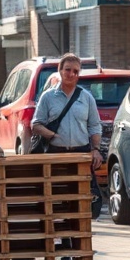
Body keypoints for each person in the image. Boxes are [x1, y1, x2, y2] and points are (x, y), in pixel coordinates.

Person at [30, 53, 104, 217]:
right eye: (68, 70)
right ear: (60, 70)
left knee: (81, 198)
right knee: (55, 197)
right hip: (56, 154)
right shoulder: (48, 97)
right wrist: (51, 135)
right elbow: (35, 124)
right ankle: (58, 233)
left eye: (76, 72)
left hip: (81, 154)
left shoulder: (86, 97)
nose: (71, 74)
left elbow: (94, 126)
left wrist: (96, 149)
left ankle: (75, 236)